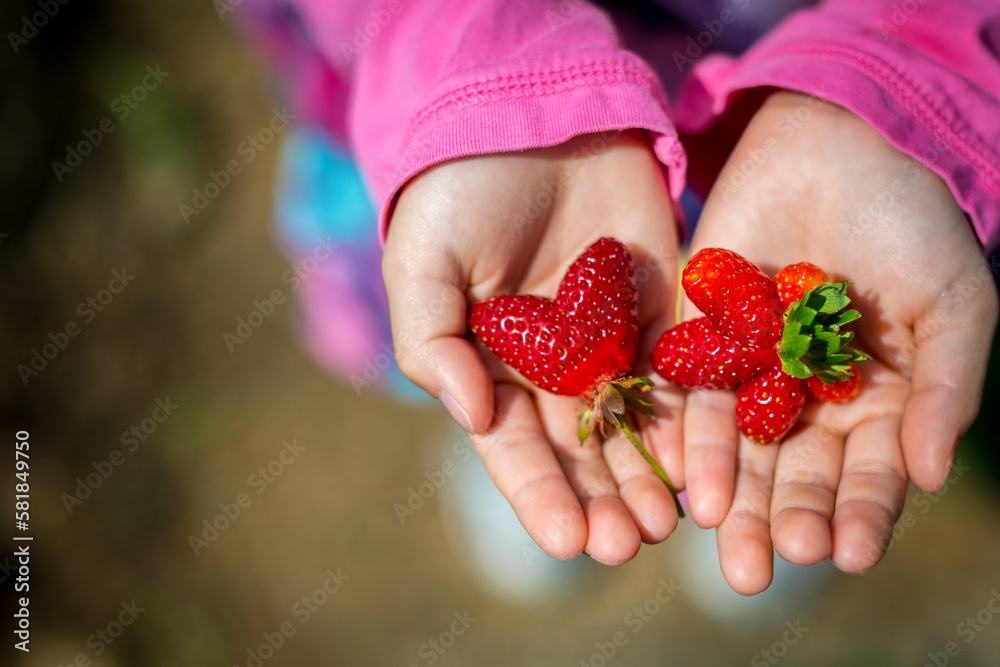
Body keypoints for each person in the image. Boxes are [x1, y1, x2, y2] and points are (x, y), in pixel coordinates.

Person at [240, 0, 1000, 594]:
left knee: (734, 441)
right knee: (473, 335)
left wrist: (903, 96)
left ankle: (746, 502)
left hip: (769, 120)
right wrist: (481, 99)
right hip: (442, 127)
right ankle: (500, 423)